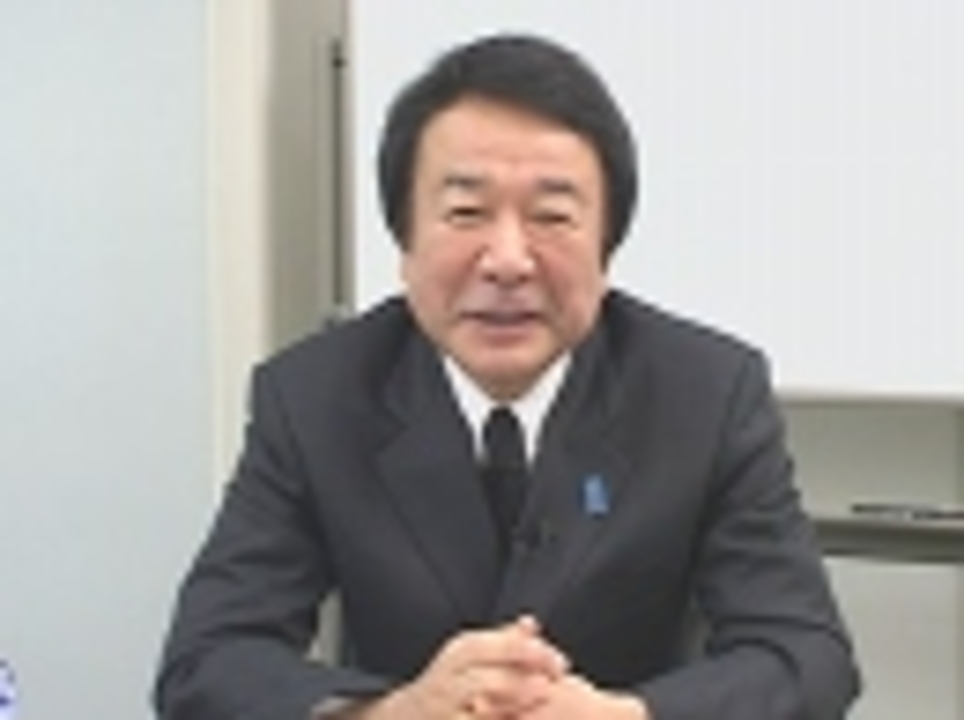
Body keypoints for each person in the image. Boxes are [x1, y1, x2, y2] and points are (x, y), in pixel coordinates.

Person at [154, 33, 860, 720]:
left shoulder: (706, 394)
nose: (508, 261)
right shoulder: (314, 397)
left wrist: (624, 716)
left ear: (606, 246)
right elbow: (207, 660)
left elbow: (806, 657)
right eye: (466, 213)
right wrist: (393, 712)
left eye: (552, 216)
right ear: (404, 240)